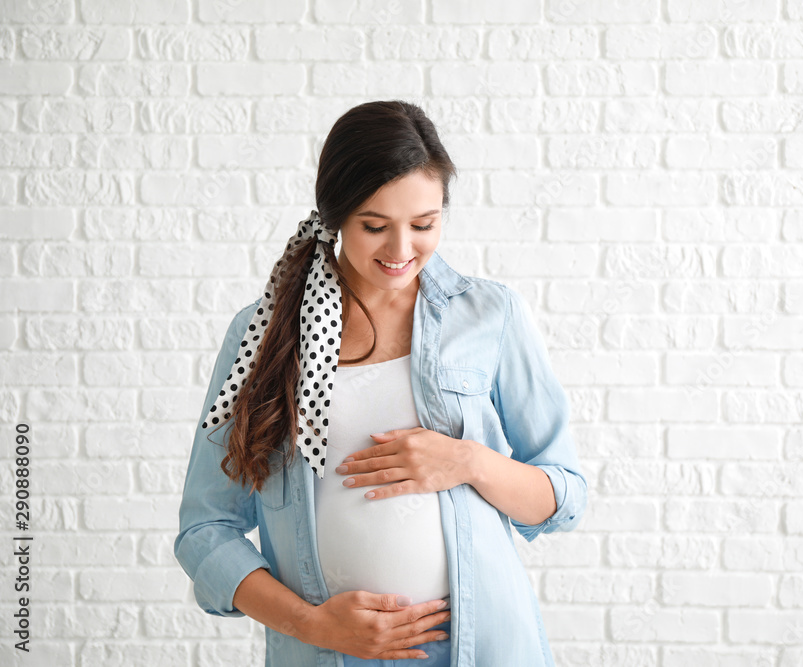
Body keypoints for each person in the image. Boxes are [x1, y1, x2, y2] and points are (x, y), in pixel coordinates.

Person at [173, 100, 588, 666]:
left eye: (424, 225)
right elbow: (206, 528)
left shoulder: (490, 317)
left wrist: (468, 462)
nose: (400, 251)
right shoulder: (263, 335)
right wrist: (314, 626)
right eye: (374, 226)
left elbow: (562, 496)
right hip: (327, 653)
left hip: (481, 647)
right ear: (336, 216)